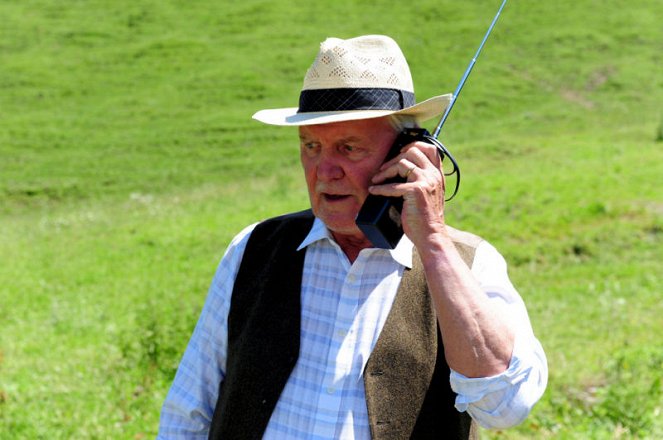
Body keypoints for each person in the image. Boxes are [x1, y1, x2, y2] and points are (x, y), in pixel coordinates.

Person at [158, 35, 547, 439]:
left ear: (406, 153)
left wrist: (432, 241)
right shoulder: (255, 248)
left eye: (348, 148)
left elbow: (506, 406)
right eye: (311, 146)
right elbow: (187, 412)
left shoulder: (468, 263)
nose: (324, 171)